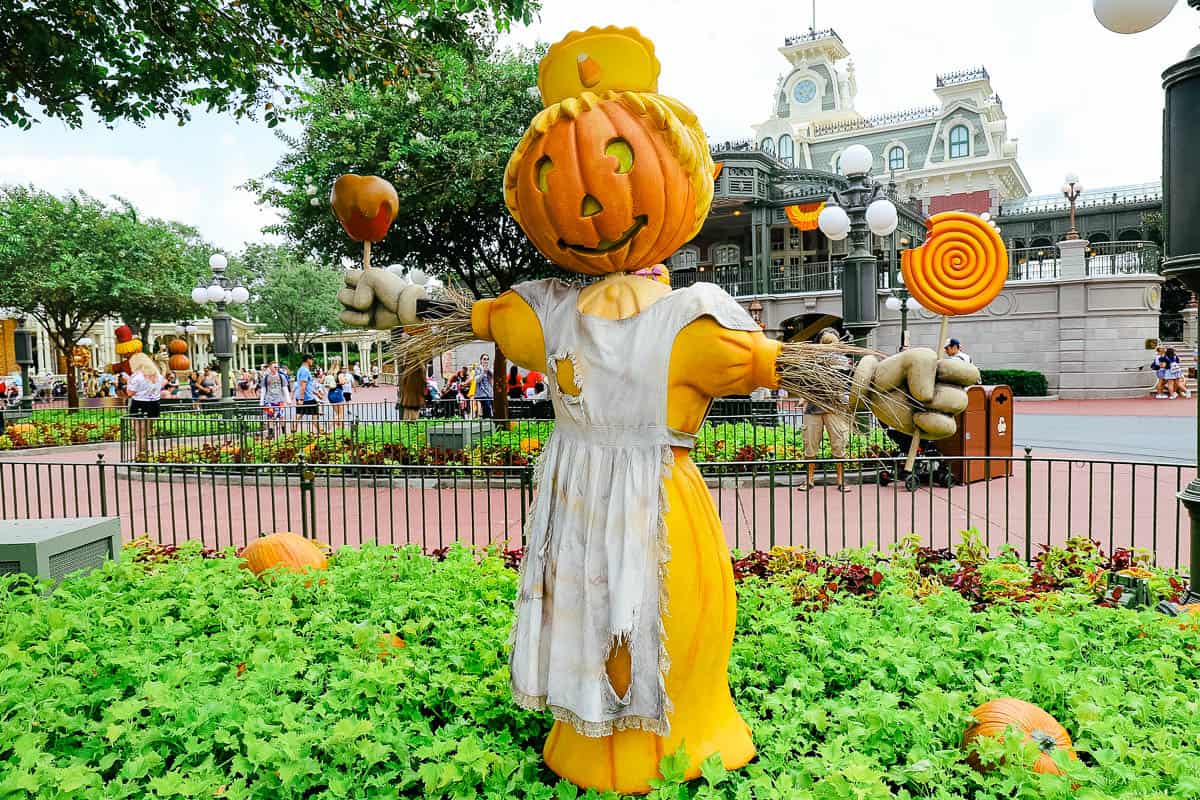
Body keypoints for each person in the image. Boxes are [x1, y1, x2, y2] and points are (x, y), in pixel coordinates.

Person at [799, 328, 851, 492]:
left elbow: (846, 383)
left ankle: (841, 481)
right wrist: (804, 397)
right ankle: (809, 480)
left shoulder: (842, 362)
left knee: (839, 443)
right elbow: (805, 383)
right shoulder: (811, 361)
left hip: (834, 409)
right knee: (810, 445)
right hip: (813, 409)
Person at [126, 352, 166, 461]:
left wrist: (128, 383)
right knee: (147, 433)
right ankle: (147, 453)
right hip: (154, 403)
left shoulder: (137, 376)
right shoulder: (157, 375)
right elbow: (162, 385)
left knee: (139, 434)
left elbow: (130, 393)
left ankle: (141, 455)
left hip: (140, 403)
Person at [259, 361, 292, 436]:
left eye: (277, 367)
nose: (276, 368)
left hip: (279, 400)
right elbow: (263, 389)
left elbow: (285, 388)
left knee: (281, 416)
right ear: (270, 367)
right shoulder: (266, 377)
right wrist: (261, 401)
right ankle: (270, 432)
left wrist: (288, 400)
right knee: (270, 417)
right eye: (275, 367)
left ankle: (283, 432)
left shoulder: (281, 377)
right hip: (269, 400)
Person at [294, 354, 321, 431]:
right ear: (308, 360)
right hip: (307, 398)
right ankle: (321, 432)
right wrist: (301, 399)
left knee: (298, 416)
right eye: (312, 359)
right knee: (314, 417)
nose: (312, 361)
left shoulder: (301, 369)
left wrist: (316, 393)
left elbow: (308, 386)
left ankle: (293, 432)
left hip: (305, 397)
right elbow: (303, 385)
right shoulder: (304, 370)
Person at [474, 354, 494, 418]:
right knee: (487, 408)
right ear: (481, 360)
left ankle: (486, 420)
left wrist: (489, 371)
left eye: (487, 359)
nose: (486, 361)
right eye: (484, 359)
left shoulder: (489, 370)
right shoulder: (478, 369)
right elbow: (477, 380)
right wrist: (483, 372)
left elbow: (493, 378)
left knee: (489, 408)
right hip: (481, 393)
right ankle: (487, 420)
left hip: (489, 393)